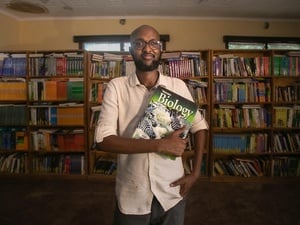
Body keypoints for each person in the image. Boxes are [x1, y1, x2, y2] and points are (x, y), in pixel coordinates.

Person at [94, 24, 208, 225]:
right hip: (132, 194)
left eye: (153, 43)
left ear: (160, 49)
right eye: (139, 43)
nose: (147, 49)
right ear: (130, 50)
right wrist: (159, 144)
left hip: (172, 191)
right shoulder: (117, 87)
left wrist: (196, 173)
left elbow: (200, 126)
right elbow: (103, 140)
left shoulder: (177, 86)